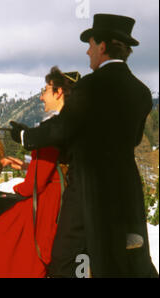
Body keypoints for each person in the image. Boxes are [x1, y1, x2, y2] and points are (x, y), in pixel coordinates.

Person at [10, 14, 158, 277]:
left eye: (91, 44)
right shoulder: (142, 92)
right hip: (126, 189)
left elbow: (62, 128)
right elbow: (132, 139)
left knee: (68, 257)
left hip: (88, 189)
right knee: (128, 258)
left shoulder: (90, 86)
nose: (88, 51)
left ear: (103, 46)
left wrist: (25, 137)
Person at [0, 67, 79, 278]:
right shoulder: (70, 124)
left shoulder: (51, 128)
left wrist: (14, 188)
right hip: (59, 196)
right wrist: (27, 165)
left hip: (45, 204)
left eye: (46, 90)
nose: (41, 96)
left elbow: (32, 186)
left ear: (59, 92)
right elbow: (55, 166)